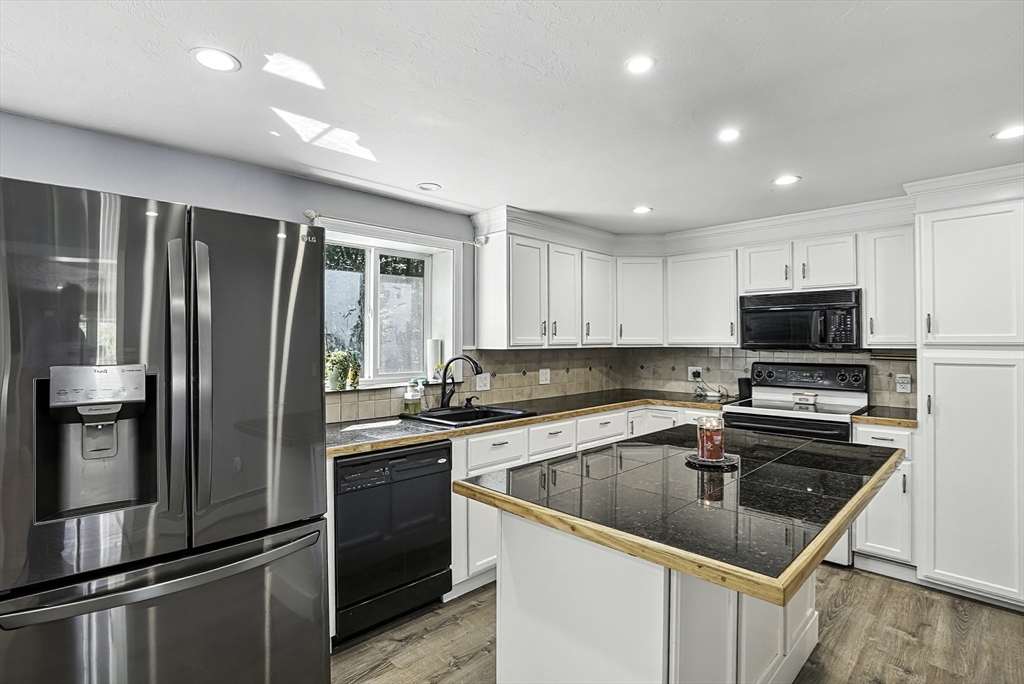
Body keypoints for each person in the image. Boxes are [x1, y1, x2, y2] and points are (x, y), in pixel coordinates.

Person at [24, 283, 93, 369]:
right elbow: (29, 370)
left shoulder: (80, 334)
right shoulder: (41, 329)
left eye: (78, 314)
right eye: (70, 311)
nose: (74, 319)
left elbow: (85, 366)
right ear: (61, 306)